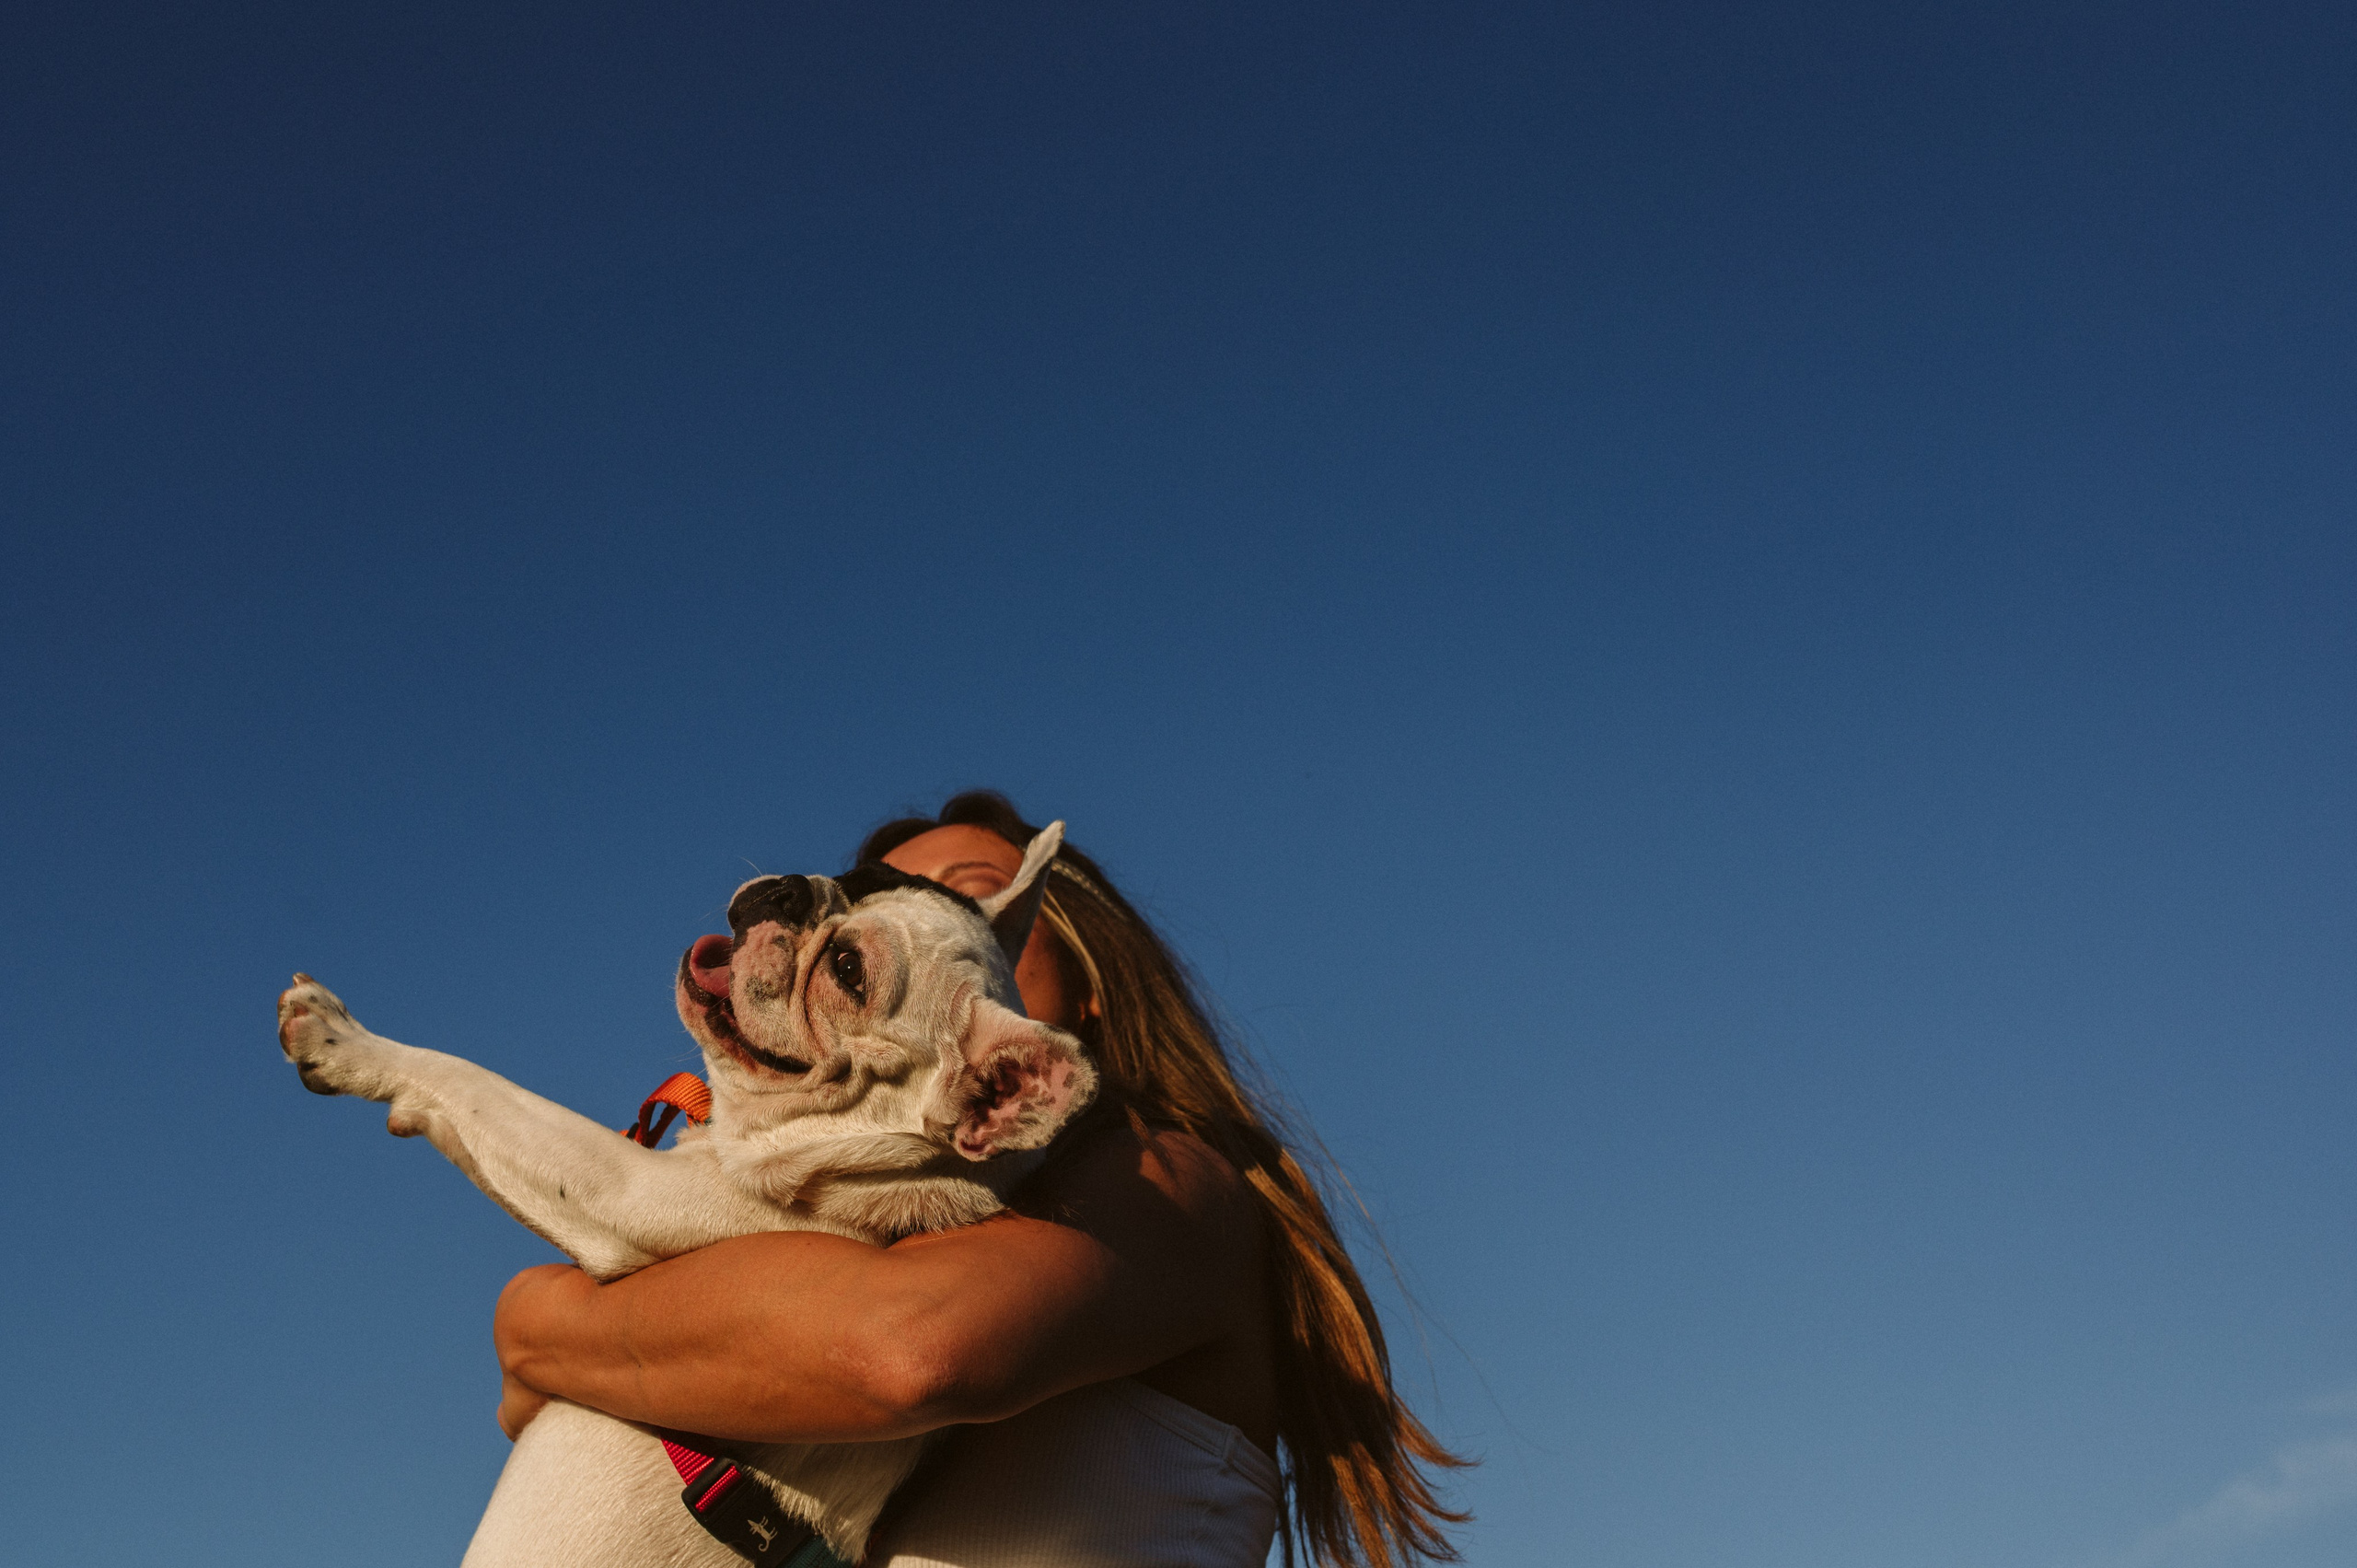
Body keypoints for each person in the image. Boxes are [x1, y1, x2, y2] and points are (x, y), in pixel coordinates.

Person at [493, 792, 1468, 1566]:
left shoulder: (1166, 1174)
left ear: (1091, 973)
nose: (918, 929)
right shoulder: (923, 1229)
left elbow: (912, 1350)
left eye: (967, 897)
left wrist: (545, 1322)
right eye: (882, 905)